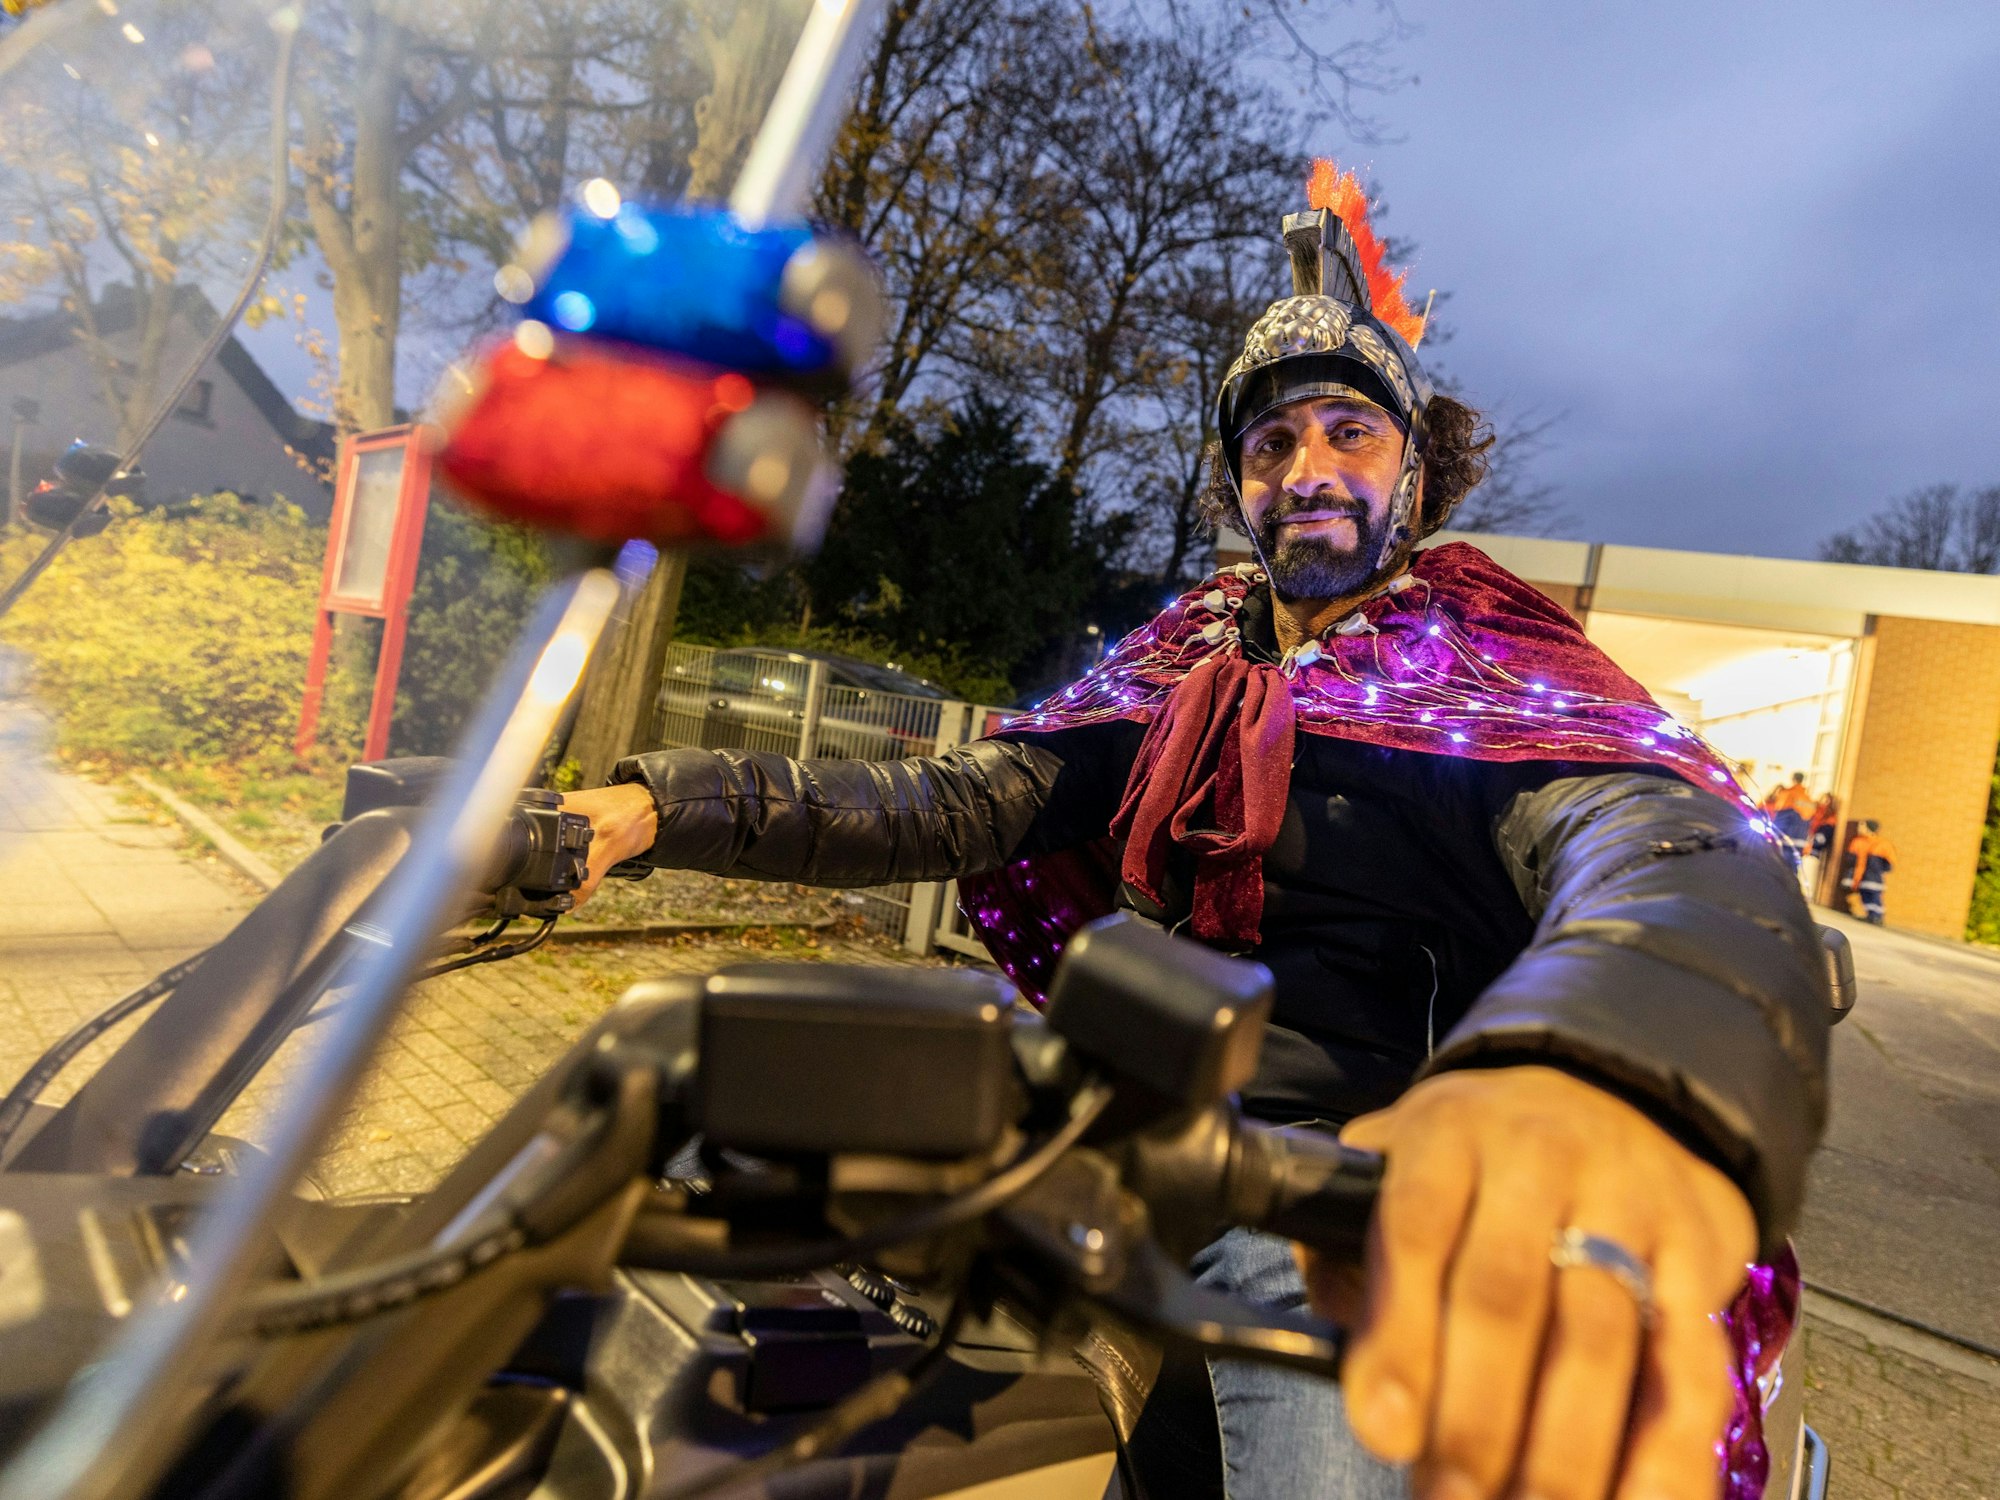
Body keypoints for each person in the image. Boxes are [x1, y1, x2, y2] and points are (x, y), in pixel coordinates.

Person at [562, 161, 1829, 1500]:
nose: (1309, 470)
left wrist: (1589, 1063)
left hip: (1319, 1201)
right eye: (1271, 445)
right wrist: (656, 805)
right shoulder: (1184, 658)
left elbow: (1667, 849)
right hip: (1103, 1122)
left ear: (1416, 471)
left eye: (1351, 432)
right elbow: (950, 801)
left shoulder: (1486, 671)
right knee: (684, 1103)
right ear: (1237, 486)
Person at [1841, 818, 1896, 924]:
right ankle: (1871, 916)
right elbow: (1851, 859)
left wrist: (1875, 869)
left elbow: (1889, 863)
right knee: (1865, 895)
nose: (1859, 828)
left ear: (1869, 828)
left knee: (1874, 896)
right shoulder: (1857, 842)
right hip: (1861, 876)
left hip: (1873, 877)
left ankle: (1877, 917)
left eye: (1862, 826)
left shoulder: (1882, 844)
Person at [1761, 771, 1816, 870]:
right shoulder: (1808, 799)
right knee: (1791, 873)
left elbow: (1781, 818)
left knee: (1778, 871)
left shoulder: (1788, 795)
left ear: (1793, 779)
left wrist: (1771, 836)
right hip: (1800, 843)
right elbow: (1811, 823)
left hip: (1785, 841)